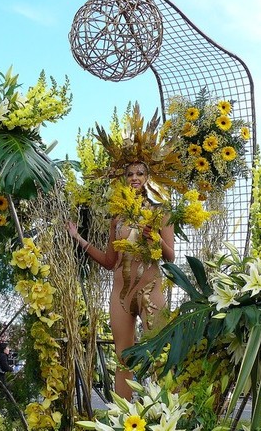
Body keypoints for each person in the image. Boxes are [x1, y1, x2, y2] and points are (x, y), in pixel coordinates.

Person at [68, 160, 175, 399]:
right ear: (124, 179)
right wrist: (78, 238)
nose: (134, 177)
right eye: (129, 173)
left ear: (148, 178)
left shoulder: (161, 212)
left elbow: (170, 257)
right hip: (120, 295)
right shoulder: (117, 220)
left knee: (161, 351)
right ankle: (123, 416)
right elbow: (109, 262)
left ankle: (168, 413)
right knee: (122, 356)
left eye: (140, 173)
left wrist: (155, 239)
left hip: (151, 290)